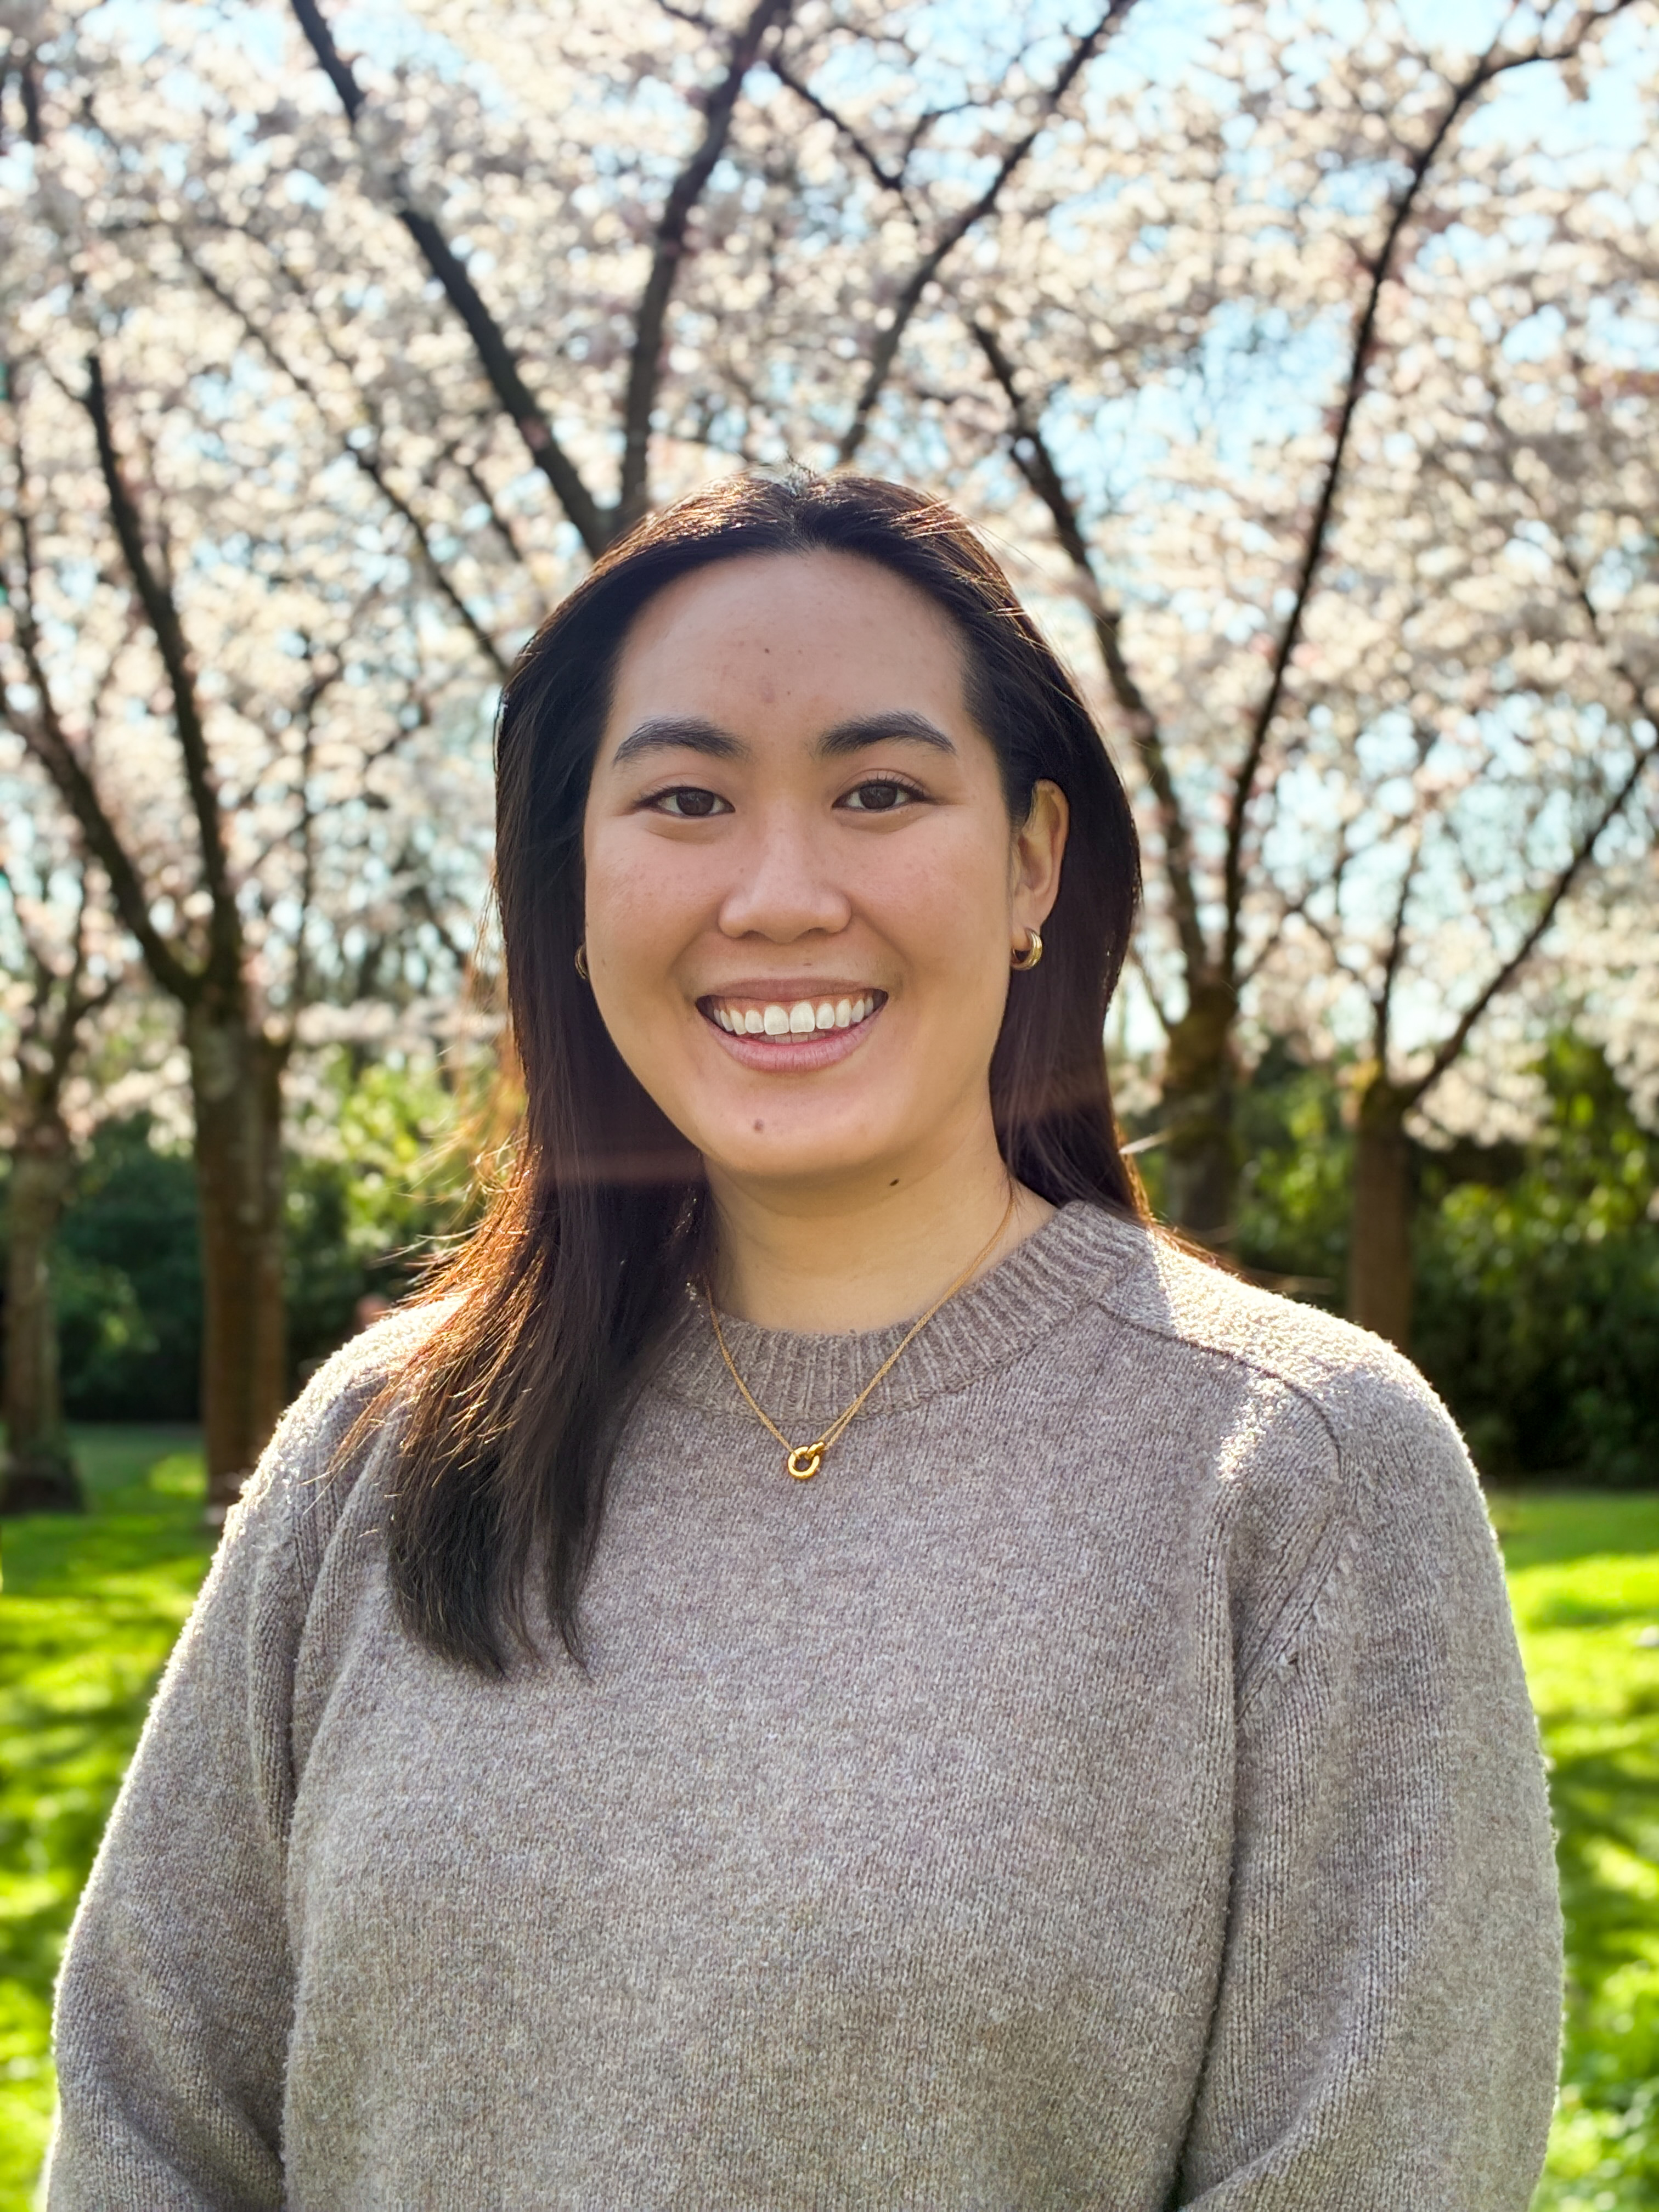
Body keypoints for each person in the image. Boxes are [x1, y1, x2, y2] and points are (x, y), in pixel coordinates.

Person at [48, 472, 1562, 2209]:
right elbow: (150, 2131)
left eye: (882, 790)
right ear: (575, 882)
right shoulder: (383, 1449)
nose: (778, 894)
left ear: (1032, 866)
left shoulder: (1299, 1469)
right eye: (686, 797)